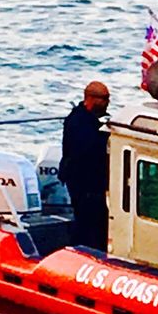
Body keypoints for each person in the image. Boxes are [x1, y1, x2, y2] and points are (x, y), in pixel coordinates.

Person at [59, 80, 110, 250]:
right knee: (87, 218)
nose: (107, 103)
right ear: (91, 98)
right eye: (104, 99)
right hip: (82, 179)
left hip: (88, 178)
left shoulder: (87, 120)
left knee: (91, 218)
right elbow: (88, 148)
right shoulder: (78, 122)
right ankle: (81, 247)